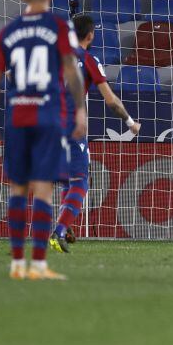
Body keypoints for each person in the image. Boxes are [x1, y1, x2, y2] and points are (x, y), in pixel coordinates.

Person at [0, 0, 88, 280]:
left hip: (17, 117)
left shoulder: (9, 31)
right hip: (48, 116)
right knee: (42, 190)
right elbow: (71, 73)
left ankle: (17, 263)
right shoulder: (58, 27)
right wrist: (80, 111)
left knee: (18, 189)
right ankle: (39, 265)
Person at [49, 14, 142, 253]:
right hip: (71, 125)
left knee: (67, 181)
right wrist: (130, 122)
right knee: (81, 181)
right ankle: (58, 231)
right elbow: (111, 100)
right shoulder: (89, 60)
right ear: (91, 35)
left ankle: (65, 224)